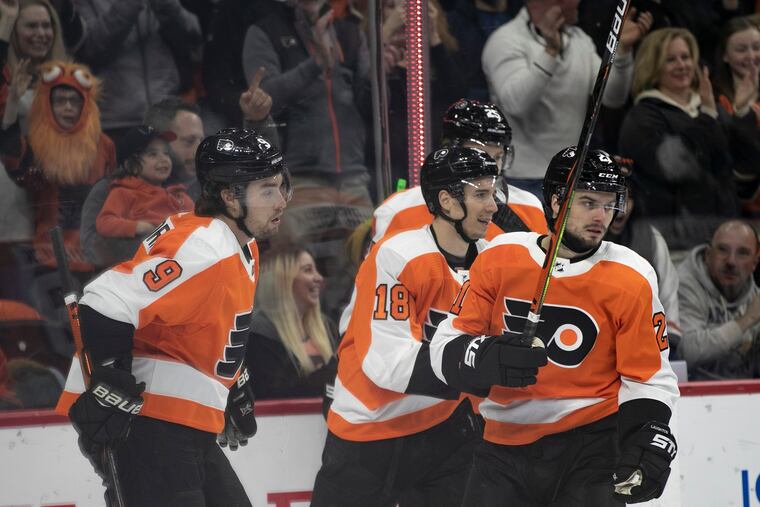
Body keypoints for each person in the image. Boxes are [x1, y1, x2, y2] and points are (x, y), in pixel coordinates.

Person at [429, 147, 680, 506]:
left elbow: (649, 376)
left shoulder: (631, 275)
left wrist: (649, 431)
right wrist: (483, 357)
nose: (601, 216)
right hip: (501, 446)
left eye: (609, 204)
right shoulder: (499, 257)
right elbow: (445, 345)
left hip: (591, 446)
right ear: (556, 201)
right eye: (588, 202)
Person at [55, 128, 290, 506]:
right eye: (267, 190)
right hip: (152, 428)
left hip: (185, 427)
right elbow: (103, 301)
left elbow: (194, 323)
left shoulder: (238, 244)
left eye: (281, 186)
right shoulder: (204, 246)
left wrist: (230, 382)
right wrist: (110, 380)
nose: (281, 201)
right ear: (229, 196)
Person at [312, 147, 513, 506]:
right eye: (480, 194)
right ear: (448, 202)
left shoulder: (496, 255)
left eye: (492, 192)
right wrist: (476, 367)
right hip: (370, 430)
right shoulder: (398, 255)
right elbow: (387, 364)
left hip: (442, 426)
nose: (493, 206)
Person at [481, 0, 652, 197]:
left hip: (570, 177)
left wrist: (621, 52)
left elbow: (612, 98)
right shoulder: (506, 40)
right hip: (521, 180)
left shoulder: (579, 40)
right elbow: (515, 104)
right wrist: (550, 54)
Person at [618, 27, 739, 250]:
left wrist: (743, 116)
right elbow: (675, 166)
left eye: (685, 57)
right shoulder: (643, 117)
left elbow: (739, 166)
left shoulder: (712, 107)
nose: (682, 65)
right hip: (670, 239)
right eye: (670, 60)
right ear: (653, 66)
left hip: (721, 236)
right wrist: (708, 117)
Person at [373, 99, 546, 244]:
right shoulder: (397, 211)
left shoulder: (530, 207)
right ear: (449, 152)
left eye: (498, 157)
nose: (491, 168)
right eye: (478, 156)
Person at [0, 59, 116, 275]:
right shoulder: (36, 145)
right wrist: (13, 102)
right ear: (48, 104)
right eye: (60, 100)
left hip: (94, 258)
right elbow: (13, 161)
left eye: (74, 100)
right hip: (49, 258)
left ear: (86, 104)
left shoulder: (105, 145)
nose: (68, 107)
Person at [70, 0, 202, 142]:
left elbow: (193, 40)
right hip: (116, 123)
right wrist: (130, 5)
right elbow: (90, 49)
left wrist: (167, 6)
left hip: (166, 116)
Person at [604, 158, 681, 357]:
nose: (621, 207)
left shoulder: (651, 239)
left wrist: (667, 345)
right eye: (614, 196)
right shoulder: (578, 238)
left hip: (641, 346)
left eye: (628, 198)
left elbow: (668, 299)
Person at [245, 247, 336, 399]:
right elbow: (273, 395)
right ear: (282, 281)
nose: (319, 278)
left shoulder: (328, 328)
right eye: (308, 270)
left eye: (316, 270)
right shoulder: (260, 335)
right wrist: (330, 373)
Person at [677, 219, 760, 380]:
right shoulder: (685, 285)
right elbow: (687, 352)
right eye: (723, 250)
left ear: (754, 264)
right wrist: (747, 320)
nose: (731, 261)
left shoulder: (754, 295)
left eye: (742, 253)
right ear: (708, 254)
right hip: (692, 395)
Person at [96, 125, 193, 243]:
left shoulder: (178, 195)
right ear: (131, 164)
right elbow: (104, 222)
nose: (163, 159)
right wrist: (137, 227)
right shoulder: (123, 193)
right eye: (152, 154)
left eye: (166, 153)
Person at [713, 17, 760, 216]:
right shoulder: (717, 99)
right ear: (725, 55)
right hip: (739, 211)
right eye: (741, 49)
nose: (751, 56)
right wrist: (741, 111)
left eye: (757, 47)